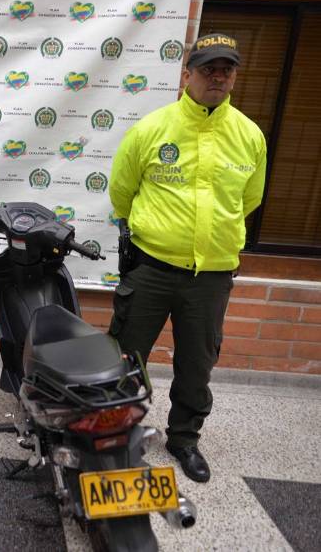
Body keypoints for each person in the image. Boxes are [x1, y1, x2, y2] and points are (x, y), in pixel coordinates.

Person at [108, 33, 266, 482]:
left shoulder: (249, 136)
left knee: (197, 363)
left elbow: (248, 200)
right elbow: (122, 191)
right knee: (127, 357)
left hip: (211, 276)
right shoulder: (152, 129)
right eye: (208, 68)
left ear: (234, 75)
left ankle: (184, 439)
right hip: (152, 269)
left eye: (227, 69)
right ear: (187, 74)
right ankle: (117, 434)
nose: (218, 76)